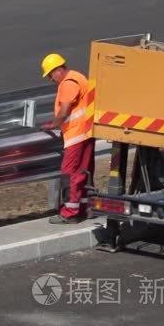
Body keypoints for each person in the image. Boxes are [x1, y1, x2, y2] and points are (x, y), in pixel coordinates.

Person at [39, 54, 95, 224]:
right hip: (86, 132)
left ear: (58, 70)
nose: (50, 79)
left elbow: (64, 112)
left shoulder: (68, 83)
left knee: (69, 173)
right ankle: (85, 208)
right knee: (83, 171)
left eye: (50, 75)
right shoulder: (78, 77)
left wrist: (53, 124)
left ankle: (70, 212)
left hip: (75, 134)